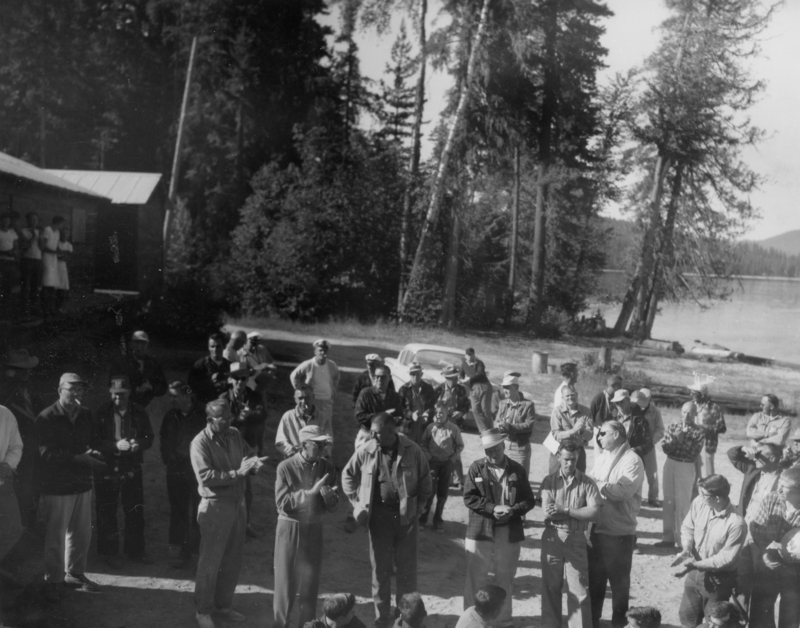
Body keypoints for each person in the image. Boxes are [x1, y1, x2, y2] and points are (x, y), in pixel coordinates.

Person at [342, 413, 431, 628]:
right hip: (379, 519)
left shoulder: (413, 450)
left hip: (406, 520)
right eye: (372, 432)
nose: (373, 436)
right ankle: (382, 620)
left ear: (392, 432)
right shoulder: (367, 450)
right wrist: (358, 503)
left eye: (377, 433)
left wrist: (418, 510)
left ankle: (403, 619)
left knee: (407, 571)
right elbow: (347, 475)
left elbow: (426, 482)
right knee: (380, 572)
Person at [190, 399, 267, 628]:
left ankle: (223, 605)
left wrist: (254, 464)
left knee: (232, 559)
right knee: (210, 561)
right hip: (215, 506)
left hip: (237, 503)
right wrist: (237, 473)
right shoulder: (199, 443)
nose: (229, 421)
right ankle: (203, 611)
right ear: (210, 420)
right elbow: (205, 476)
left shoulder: (234, 434)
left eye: (230, 417)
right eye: (223, 418)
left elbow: (247, 454)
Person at [35, 373, 105, 602]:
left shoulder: (85, 414)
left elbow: (90, 442)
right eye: (71, 389)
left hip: (83, 482)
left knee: (82, 532)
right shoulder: (46, 417)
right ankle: (53, 580)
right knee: (56, 535)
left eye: (80, 390)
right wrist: (78, 458)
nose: (77, 394)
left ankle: (75, 574)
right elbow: (45, 454)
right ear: (59, 391)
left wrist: (91, 453)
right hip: (58, 486)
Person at [463, 427, 536, 628]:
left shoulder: (517, 470)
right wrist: (492, 508)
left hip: (508, 532)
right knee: (475, 579)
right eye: (488, 450)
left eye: (495, 449)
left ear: (503, 445)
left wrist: (512, 511)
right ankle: (471, 621)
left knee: (505, 578)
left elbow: (529, 501)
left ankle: (503, 621)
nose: (492, 454)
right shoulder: (476, 468)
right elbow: (469, 498)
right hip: (480, 531)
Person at [274, 425, 339, 628]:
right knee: (286, 585)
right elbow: (281, 503)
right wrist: (309, 494)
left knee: (310, 585)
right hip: (290, 529)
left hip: (314, 528)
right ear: (304, 445)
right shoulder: (285, 466)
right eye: (318, 444)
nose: (323, 449)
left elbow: (333, 507)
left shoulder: (327, 467)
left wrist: (330, 499)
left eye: (325, 444)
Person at [588, 419, 645, 628]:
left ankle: (620, 625)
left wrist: (596, 485)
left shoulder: (633, 460)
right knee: (595, 582)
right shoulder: (603, 457)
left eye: (603, 433)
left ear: (617, 434)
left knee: (619, 585)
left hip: (619, 532)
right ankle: (593, 623)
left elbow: (623, 491)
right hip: (597, 529)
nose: (599, 437)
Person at [540, 440, 602, 628]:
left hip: (576, 538)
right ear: (558, 457)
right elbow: (547, 512)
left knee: (580, 591)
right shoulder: (548, 481)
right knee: (551, 588)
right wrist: (578, 511)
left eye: (574, 459)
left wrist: (565, 510)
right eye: (566, 459)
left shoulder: (587, 482)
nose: (570, 464)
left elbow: (595, 512)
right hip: (553, 538)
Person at [94, 376, 154, 567]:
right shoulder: (102, 412)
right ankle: (109, 552)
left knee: (134, 509)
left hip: (131, 464)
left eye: (122, 395)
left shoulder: (139, 412)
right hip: (107, 465)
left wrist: (139, 445)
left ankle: (135, 551)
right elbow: (93, 440)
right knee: (107, 509)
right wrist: (114, 445)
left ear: (129, 394)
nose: (118, 399)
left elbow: (149, 437)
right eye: (115, 395)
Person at [674, 475, 746, 628]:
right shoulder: (699, 503)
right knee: (688, 618)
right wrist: (686, 547)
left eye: (704, 495)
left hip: (719, 580)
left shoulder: (736, 523)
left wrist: (695, 565)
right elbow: (688, 527)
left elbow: (726, 558)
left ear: (718, 498)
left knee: (715, 622)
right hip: (694, 573)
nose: (700, 497)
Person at [744, 467, 800, 628]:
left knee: (791, 613)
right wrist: (764, 554)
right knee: (761, 610)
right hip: (769, 560)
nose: (779, 489)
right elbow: (757, 529)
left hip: (796, 569)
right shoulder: (771, 499)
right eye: (779, 484)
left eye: (785, 486)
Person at [160, 381, 207, 567]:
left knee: (198, 509)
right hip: (176, 468)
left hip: (197, 470)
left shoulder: (204, 415)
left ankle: (195, 550)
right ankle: (181, 550)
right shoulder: (171, 415)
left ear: (187, 396)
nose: (171, 400)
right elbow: (164, 437)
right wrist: (168, 457)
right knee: (178, 509)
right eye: (170, 396)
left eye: (174, 396)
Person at [655, 401, 706, 549]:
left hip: (685, 465)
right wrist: (675, 440)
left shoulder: (699, 431)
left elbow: (693, 452)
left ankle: (683, 541)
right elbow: (664, 447)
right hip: (670, 463)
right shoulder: (673, 426)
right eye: (684, 412)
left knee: (683, 504)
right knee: (668, 502)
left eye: (690, 412)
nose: (687, 416)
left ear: (695, 414)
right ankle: (668, 538)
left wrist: (683, 438)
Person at [223, 362, 267, 537]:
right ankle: (228, 524)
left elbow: (263, 414)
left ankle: (246, 523)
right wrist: (236, 420)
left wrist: (250, 415)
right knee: (228, 485)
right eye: (236, 378)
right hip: (227, 448)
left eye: (243, 378)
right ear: (230, 379)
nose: (240, 382)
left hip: (247, 446)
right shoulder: (223, 398)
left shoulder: (254, 396)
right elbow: (217, 423)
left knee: (247, 488)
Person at [1, 348, 40, 530]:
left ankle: (29, 524)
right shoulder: (5, 389)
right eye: (22, 369)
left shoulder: (30, 386)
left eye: (28, 369)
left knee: (33, 484)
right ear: (12, 370)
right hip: (15, 444)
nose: (27, 372)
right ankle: (18, 527)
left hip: (33, 442)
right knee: (20, 486)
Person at [419, 402, 464, 532]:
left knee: (442, 493)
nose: (438, 416)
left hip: (446, 464)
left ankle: (438, 521)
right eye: (437, 413)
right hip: (432, 464)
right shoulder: (430, 428)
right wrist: (428, 456)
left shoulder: (453, 429)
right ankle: (423, 519)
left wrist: (452, 459)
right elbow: (423, 443)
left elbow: (460, 446)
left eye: (441, 413)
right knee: (429, 491)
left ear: (447, 414)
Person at [108, 330, 168, 409]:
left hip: (148, 407)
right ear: (131, 344)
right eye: (136, 343)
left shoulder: (153, 363)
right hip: (125, 406)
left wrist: (151, 387)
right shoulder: (121, 363)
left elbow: (163, 387)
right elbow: (113, 384)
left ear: (147, 345)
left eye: (143, 343)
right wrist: (135, 389)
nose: (139, 346)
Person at [291, 339, 340, 432]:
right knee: (311, 423)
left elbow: (337, 377)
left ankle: (324, 444)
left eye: (325, 350)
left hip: (327, 400)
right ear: (315, 351)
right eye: (320, 350)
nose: (322, 352)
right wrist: (300, 392)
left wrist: (334, 388)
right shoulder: (309, 364)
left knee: (326, 424)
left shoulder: (332, 365)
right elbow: (294, 376)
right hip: (313, 399)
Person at [727, 442, 783, 520]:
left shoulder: (784, 479)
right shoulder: (752, 470)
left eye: (758, 455)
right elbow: (731, 454)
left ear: (772, 458)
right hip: (746, 520)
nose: (754, 458)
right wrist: (743, 448)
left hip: (764, 526)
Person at [495, 373, 536, 478]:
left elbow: (529, 425)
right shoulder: (502, 403)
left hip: (520, 447)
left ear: (516, 388)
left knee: (520, 478)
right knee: (504, 478)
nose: (505, 390)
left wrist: (510, 427)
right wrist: (499, 426)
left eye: (507, 387)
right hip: (504, 446)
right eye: (504, 387)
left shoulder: (528, 405)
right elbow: (497, 421)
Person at [276, 386, 334, 459]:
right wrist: (292, 451)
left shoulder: (323, 418)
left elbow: (328, 441)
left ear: (313, 397)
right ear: (295, 399)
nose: (304, 401)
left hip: (316, 460)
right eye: (300, 398)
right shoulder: (288, 417)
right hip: (294, 459)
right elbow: (280, 441)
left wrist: (323, 453)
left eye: (307, 398)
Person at [354, 365, 403, 449]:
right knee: (363, 460)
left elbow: (401, 416)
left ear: (390, 378)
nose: (379, 380)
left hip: (388, 437)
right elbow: (359, 416)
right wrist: (383, 415)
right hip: (368, 434)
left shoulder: (394, 396)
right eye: (377, 377)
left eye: (383, 377)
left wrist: (396, 420)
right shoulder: (365, 393)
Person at [549, 385, 593, 474]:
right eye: (567, 396)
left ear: (577, 395)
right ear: (562, 397)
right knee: (555, 479)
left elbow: (590, 436)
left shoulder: (586, 411)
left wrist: (582, 431)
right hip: (559, 449)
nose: (570, 397)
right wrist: (573, 431)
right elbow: (556, 435)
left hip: (577, 450)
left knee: (579, 479)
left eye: (572, 395)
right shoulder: (557, 411)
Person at [633, 389, 665, 507]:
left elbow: (660, 429)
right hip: (634, 446)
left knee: (653, 474)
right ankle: (634, 498)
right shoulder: (632, 408)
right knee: (634, 472)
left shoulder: (655, 411)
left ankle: (653, 497)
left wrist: (651, 441)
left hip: (649, 446)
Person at [0, 403, 23, 565]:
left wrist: (8, 464)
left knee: (13, 529)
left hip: (2, 481)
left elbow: (16, 446)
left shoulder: (5, 414)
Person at [688, 380, 726, 476]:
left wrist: (705, 427)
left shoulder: (714, 407)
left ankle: (710, 485)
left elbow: (722, 427)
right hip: (694, 437)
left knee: (709, 459)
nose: (690, 395)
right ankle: (696, 485)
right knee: (694, 460)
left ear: (702, 395)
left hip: (710, 438)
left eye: (694, 393)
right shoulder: (691, 405)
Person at [397, 363, 436, 444]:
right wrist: (411, 415)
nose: (415, 377)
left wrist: (427, 414)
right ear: (409, 375)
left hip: (424, 424)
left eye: (417, 374)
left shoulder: (428, 388)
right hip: (408, 426)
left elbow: (433, 406)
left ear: (421, 374)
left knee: (423, 449)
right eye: (412, 374)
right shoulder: (404, 389)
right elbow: (399, 408)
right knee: (407, 448)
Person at [188, 332, 231, 404]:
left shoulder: (230, 366)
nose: (215, 349)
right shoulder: (200, 365)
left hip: (224, 406)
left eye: (218, 346)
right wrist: (209, 382)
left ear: (224, 347)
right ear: (208, 347)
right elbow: (191, 387)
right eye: (212, 346)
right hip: (204, 404)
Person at [610, 390, 653, 461]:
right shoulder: (611, 418)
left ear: (628, 400)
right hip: (613, 458)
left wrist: (635, 450)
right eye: (617, 402)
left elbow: (649, 443)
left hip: (631, 460)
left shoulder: (640, 420)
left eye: (622, 401)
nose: (619, 405)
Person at [238, 331, 276, 409]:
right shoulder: (239, 354)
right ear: (245, 341)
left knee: (262, 408)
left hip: (262, 384)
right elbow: (241, 373)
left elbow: (270, 362)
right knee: (248, 408)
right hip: (247, 387)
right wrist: (261, 366)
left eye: (256, 344)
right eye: (252, 344)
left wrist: (270, 372)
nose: (254, 347)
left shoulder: (262, 349)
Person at [459, 348, 493, 432]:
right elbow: (461, 375)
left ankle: (490, 430)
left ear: (474, 355)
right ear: (465, 356)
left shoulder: (479, 363)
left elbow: (480, 374)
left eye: (471, 354)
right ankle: (484, 429)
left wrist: (469, 379)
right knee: (475, 410)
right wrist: (462, 380)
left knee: (485, 410)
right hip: (473, 388)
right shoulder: (464, 364)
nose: (470, 356)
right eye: (468, 355)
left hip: (484, 386)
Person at [39, 215, 63, 317]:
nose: (62, 226)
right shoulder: (47, 230)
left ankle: (50, 308)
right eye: (61, 223)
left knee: (52, 285)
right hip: (46, 259)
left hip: (54, 260)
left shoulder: (57, 232)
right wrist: (54, 251)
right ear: (57, 223)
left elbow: (56, 246)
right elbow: (42, 247)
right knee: (46, 284)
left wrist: (60, 252)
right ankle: (45, 309)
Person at [19, 212, 42, 313]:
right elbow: (25, 246)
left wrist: (39, 236)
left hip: (37, 260)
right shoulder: (23, 231)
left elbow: (41, 247)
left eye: (35, 220)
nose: (33, 222)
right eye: (31, 219)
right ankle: (24, 308)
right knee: (26, 285)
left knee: (35, 285)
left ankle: (34, 308)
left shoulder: (39, 232)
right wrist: (33, 235)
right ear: (27, 220)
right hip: (27, 260)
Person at [303, 593, 368, 628]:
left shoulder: (355, 624)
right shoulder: (313, 627)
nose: (354, 614)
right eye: (352, 612)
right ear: (341, 619)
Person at [0, 212, 19, 318]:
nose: (5, 222)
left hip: (10, 262)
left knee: (9, 286)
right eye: (3, 220)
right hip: (1, 261)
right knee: (1, 285)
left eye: (7, 221)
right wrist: (4, 253)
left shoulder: (12, 233)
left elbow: (16, 246)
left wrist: (15, 253)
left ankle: (7, 311)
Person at [53, 225, 72, 311]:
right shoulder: (56, 243)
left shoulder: (69, 245)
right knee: (53, 287)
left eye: (67, 233)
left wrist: (60, 254)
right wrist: (62, 254)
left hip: (63, 268)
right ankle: (51, 307)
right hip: (54, 267)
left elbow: (68, 257)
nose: (65, 235)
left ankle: (59, 307)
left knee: (62, 288)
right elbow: (55, 256)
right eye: (63, 233)